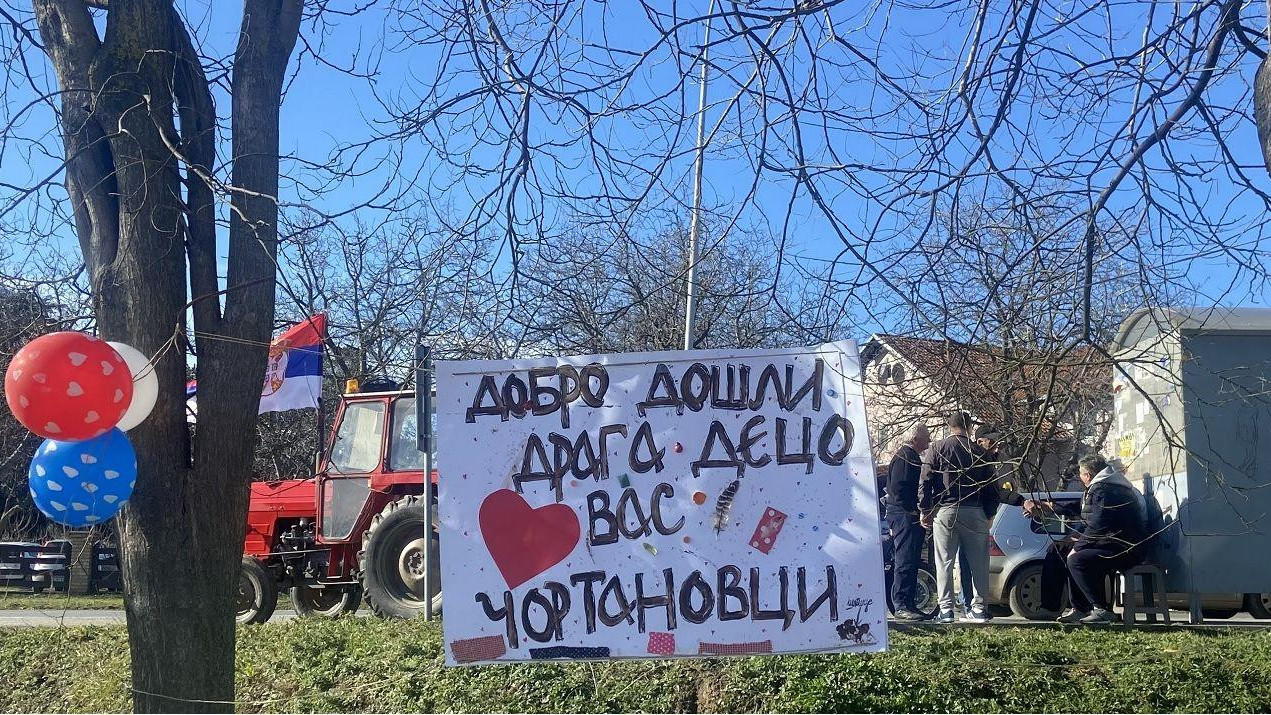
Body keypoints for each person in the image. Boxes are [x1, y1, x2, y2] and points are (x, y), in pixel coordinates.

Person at [1023, 454, 1147, 624]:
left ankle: (1101, 609)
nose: (1080, 478)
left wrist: (1079, 545)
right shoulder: (1101, 486)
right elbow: (1081, 508)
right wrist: (1048, 507)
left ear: (1087, 474)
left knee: (1076, 559)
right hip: (1109, 542)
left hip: (1123, 547)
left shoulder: (1106, 490)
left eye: (1080, 474)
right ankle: (1057, 608)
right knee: (1057, 549)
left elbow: (1098, 524)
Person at [921, 411, 997, 624]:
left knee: (944, 561)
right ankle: (979, 608)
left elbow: (925, 480)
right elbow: (992, 486)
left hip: (946, 509)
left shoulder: (937, 448)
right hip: (975, 510)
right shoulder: (980, 452)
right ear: (970, 426)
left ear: (949, 426)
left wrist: (925, 509)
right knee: (979, 562)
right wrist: (989, 512)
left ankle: (946, 610)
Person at [884, 422, 932, 621]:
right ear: (915, 438)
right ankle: (901, 603)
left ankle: (909, 603)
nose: (929, 439)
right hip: (905, 516)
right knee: (904, 560)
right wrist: (913, 509)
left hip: (907, 515)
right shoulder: (906, 458)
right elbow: (899, 488)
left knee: (911, 561)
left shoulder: (909, 457)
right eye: (926, 436)